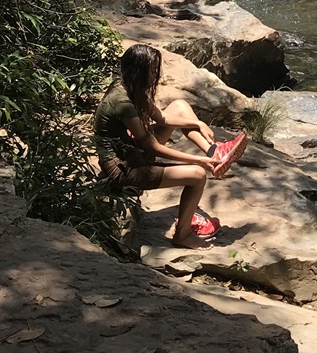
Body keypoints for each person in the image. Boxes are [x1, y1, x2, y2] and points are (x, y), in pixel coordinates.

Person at [93, 44, 247, 249]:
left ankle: (214, 150)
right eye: (153, 70)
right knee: (197, 175)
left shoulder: (127, 87)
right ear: (139, 72)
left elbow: (162, 117)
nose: (156, 74)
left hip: (132, 151)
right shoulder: (122, 102)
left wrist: (198, 123)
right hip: (122, 170)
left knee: (180, 106)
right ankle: (183, 235)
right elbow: (153, 147)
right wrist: (198, 161)